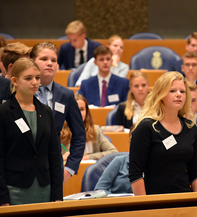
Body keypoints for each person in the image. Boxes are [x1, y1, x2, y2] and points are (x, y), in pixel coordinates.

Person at [129, 71, 197, 195]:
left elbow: (196, 173)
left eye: (182, 91)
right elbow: (135, 173)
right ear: (161, 95)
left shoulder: (191, 128)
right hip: (155, 201)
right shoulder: (146, 127)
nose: (179, 95)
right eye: (173, 91)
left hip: (185, 199)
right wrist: (143, 206)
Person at [0, 58, 62, 205]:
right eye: (28, 78)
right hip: (14, 189)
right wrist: (2, 197)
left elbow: (54, 154)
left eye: (37, 78)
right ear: (15, 81)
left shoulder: (45, 111)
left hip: (44, 188)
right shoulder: (4, 112)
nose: (35, 82)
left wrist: (58, 194)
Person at [31, 42, 86, 185]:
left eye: (53, 60)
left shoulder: (66, 95)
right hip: (20, 168)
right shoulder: (18, 91)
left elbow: (79, 135)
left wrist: (70, 168)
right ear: (32, 62)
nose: (49, 63)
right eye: (44, 59)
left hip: (53, 168)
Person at [61, 94, 118, 160]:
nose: (78, 113)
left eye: (82, 109)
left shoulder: (95, 130)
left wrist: (87, 157)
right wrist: (62, 158)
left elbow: (113, 152)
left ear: (86, 112)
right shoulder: (59, 132)